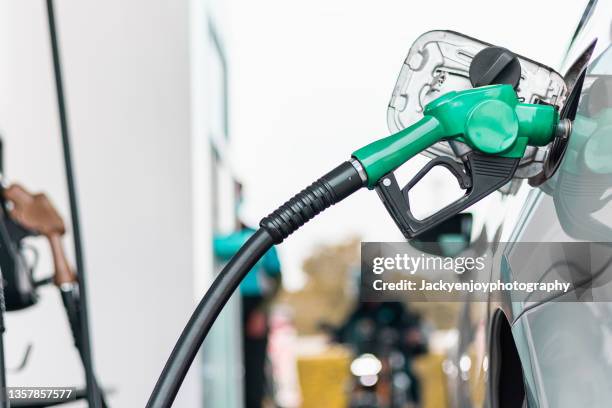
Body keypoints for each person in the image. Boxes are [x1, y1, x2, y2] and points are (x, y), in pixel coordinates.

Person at [213, 223, 282, 408]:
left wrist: (261, 311)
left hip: (253, 306)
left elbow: (277, 279)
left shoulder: (258, 235)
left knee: (254, 368)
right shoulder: (221, 238)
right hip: (224, 307)